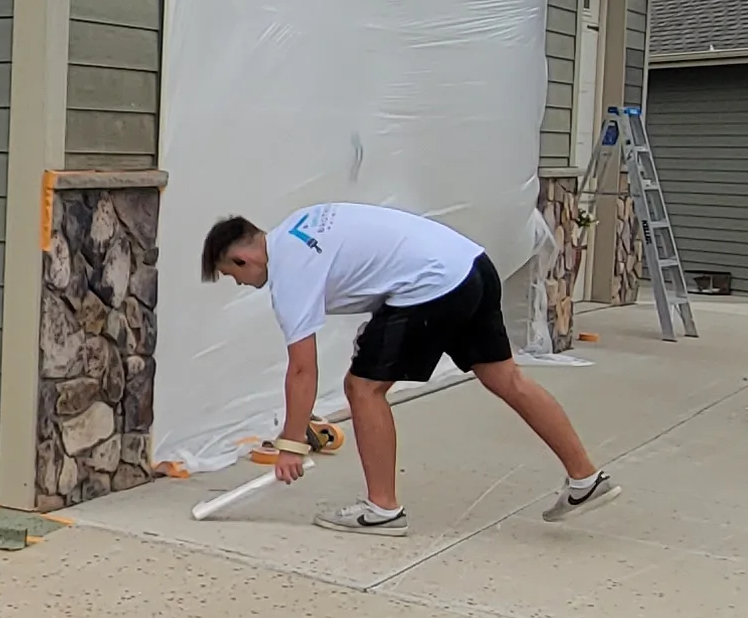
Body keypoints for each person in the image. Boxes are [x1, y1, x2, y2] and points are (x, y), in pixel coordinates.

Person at [201, 202, 615, 532]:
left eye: (231, 275)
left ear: (242, 257)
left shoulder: (288, 271)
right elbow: (373, 262)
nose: (239, 284)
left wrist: (291, 444)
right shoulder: (301, 224)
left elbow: (302, 370)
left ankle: (382, 509)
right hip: (471, 265)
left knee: (363, 387)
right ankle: (585, 478)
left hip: (432, 284)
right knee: (507, 378)